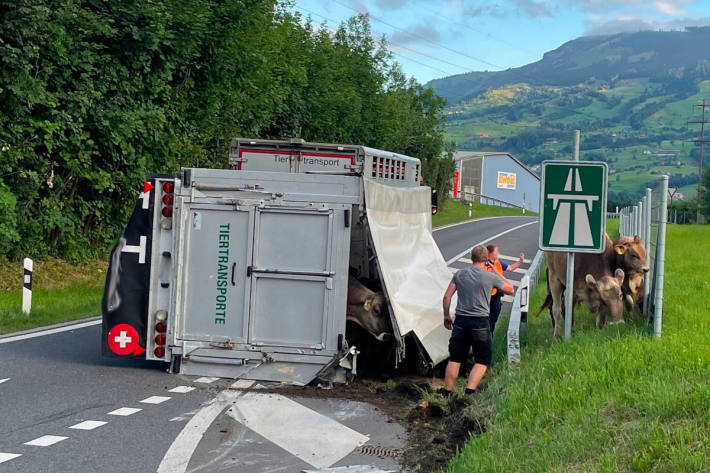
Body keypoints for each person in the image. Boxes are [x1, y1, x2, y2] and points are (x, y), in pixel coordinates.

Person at [440, 245, 514, 397]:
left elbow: (447, 297)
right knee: (482, 360)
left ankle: (447, 392)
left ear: (471, 257)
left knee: (455, 358)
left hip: (460, 322)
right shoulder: (490, 276)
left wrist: (446, 315)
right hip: (480, 322)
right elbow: (510, 289)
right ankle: (469, 393)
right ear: (486, 259)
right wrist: (495, 271)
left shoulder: (459, 274)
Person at [486, 245, 525, 332]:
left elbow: (510, 268)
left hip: (496, 296)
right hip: (486, 296)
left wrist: (520, 261)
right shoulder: (483, 264)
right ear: (490, 253)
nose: (498, 253)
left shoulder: (498, 262)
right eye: (496, 251)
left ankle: (489, 338)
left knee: (492, 321)